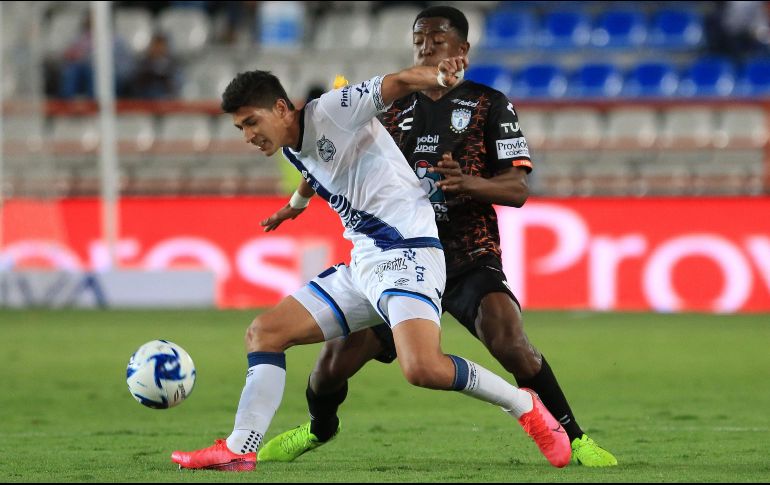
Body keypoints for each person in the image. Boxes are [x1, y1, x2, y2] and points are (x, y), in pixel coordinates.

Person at [171, 55, 572, 471]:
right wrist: (294, 205)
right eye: (240, 128)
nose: (248, 136)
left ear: (280, 108)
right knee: (264, 333)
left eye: (252, 122)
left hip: (408, 252)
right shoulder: (290, 143)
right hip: (365, 260)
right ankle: (241, 448)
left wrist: (437, 75)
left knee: (422, 368)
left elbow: (396, 82)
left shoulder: (335, 108)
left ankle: (523, 404)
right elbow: (316, 167)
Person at [257, 6, 617, 468]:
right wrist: (297, 202)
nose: (426, 47)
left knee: (510, 340)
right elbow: (329, 155)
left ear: (462, 50)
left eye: (438, 40)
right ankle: (318, 429)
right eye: (419, 40)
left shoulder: (490, 103)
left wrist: (469, 184)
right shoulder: (393, 107)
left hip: (465, 252)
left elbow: (518, 189)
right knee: (330, 370)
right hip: (395, 257)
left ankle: (576, 436)